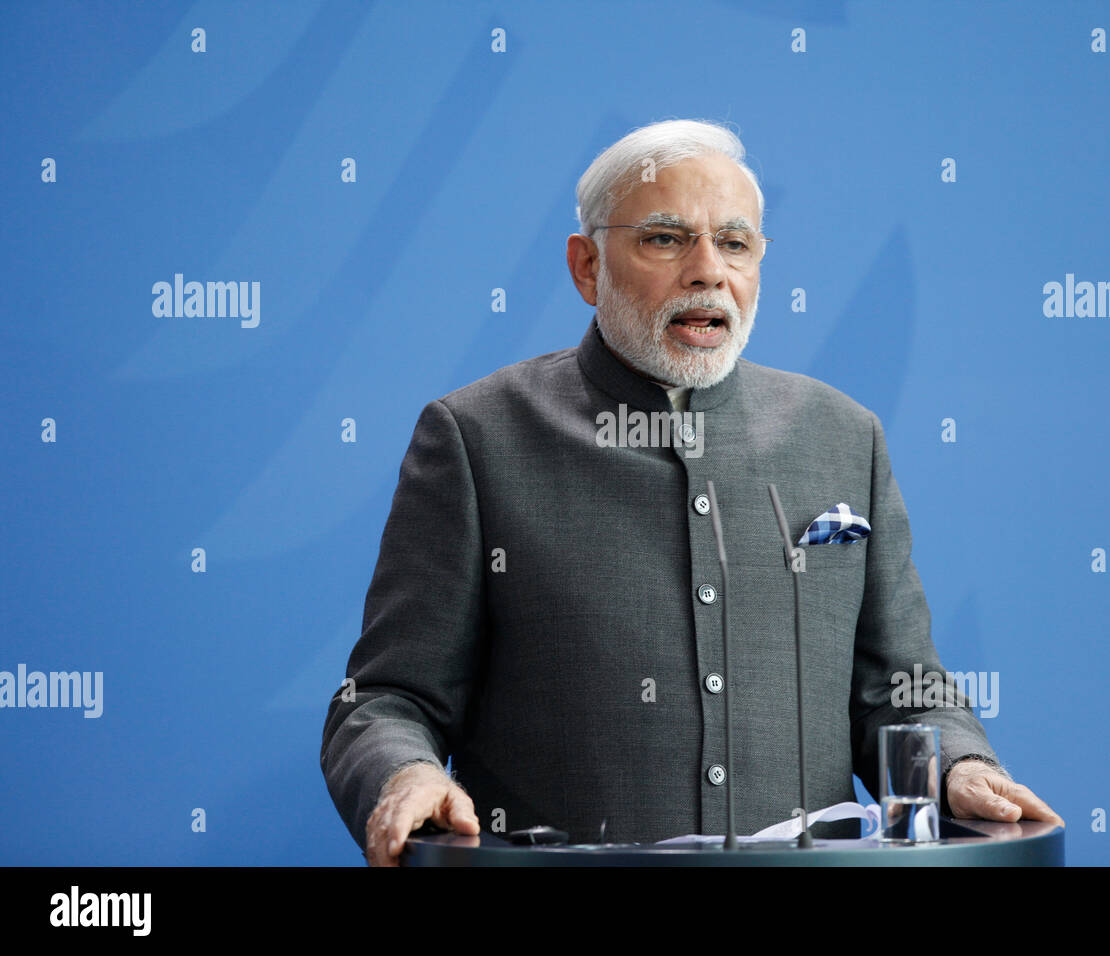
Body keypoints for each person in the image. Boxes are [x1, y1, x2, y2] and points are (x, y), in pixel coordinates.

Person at [321, 119, 1064, 866]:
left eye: (735, 244)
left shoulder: (844, 437)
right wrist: (404, 772)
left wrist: (962, 766)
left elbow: (901, 688)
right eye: (666, 239)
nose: (709, 270)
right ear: (587, 267)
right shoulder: (477, 438)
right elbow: (387, 699)